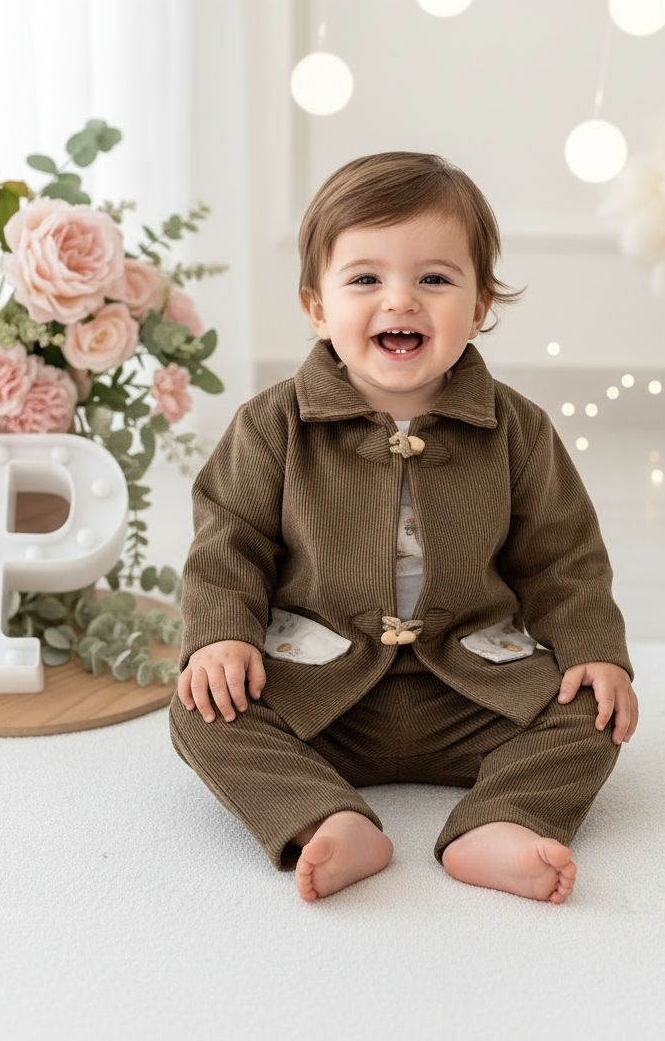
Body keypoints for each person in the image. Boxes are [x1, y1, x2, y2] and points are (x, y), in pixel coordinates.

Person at [170, 152, 639, 905]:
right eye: (365, 280)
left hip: (472, 686)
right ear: (316, 306)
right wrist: (221, 635)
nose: (401, 301)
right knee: (203, 710)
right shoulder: (271, 425)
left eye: (434, 278)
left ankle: (500, 822)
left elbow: (565, 556)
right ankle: (323, 815)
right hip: (322, 687)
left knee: (595, 713)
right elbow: (229, 542)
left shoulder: (516, 428)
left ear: (480, 303)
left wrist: (593, 651)